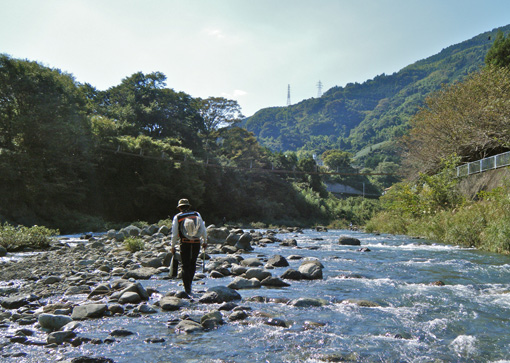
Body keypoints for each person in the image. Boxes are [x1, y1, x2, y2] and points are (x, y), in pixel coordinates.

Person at [170, 198, 207, 295]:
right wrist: (205, 241)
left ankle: (187, 289)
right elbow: (203, 229)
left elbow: (174, 234)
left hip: (184, 242)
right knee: (193, 263)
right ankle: (190, 284)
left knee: (185, 265)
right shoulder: (197, 214)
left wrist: (172, 246)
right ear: (188, 206)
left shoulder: (177, 217)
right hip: (196, 242)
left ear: (179, 208)